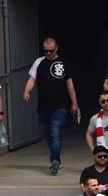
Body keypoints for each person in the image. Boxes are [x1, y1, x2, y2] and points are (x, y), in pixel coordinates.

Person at [22, 38, 77, 176]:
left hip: (59, 106)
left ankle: (55, 160)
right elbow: (32, 79)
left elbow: (70, 84)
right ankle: (54, 157)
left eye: (51, 51)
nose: (48, 54)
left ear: (56, 48)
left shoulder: (63, 63)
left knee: (55, 133)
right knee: (48, 135)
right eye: (46, 51)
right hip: (43, 106)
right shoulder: (39, 62)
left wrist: (74, 103)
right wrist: (27, 91)